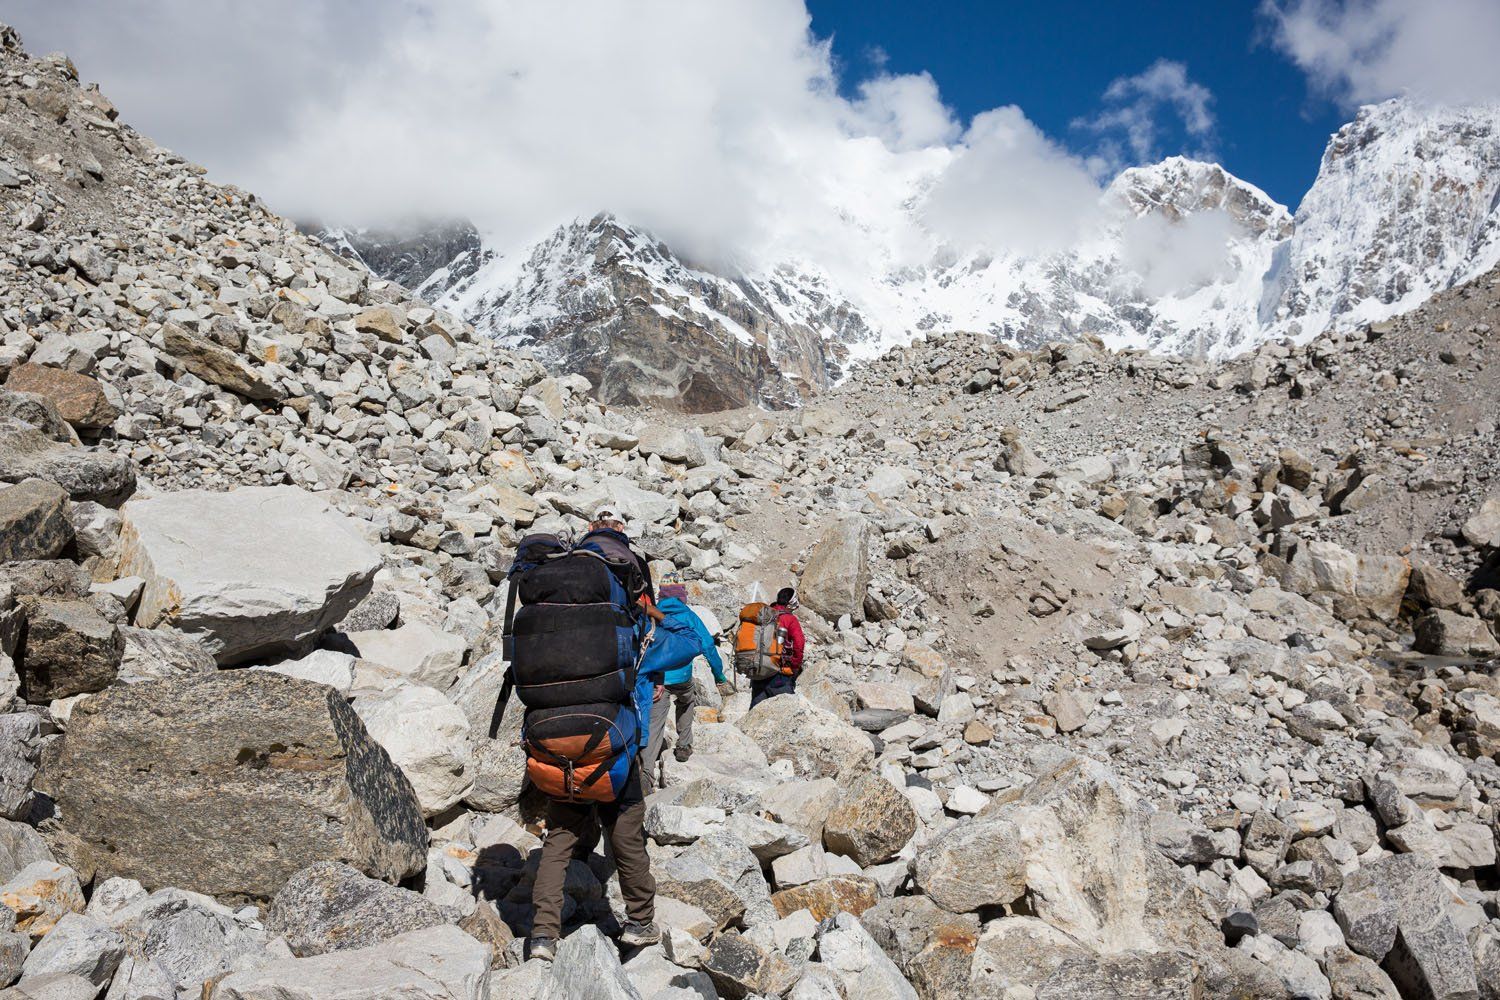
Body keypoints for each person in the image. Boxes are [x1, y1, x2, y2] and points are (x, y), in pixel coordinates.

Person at [526, 506, 661, 962]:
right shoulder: (622, 569)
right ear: (619, 531)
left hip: (551, 733)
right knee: (626, 827)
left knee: (560, 834)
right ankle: (640, 922)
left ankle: (542, 934)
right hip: (607, 734)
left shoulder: (550, 592)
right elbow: (643, 640)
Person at [638, 573, 731, 783]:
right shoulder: (689, 616)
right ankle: (684, 744)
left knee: (655, 722)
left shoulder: (653, 613)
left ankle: (646, 774)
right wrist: (719, 676)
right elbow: (707, 645)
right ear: (682, 595)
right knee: (687, 701)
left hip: (656, 679)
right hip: (682, 676)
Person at [751, 587, 804, 708]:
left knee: (756, 712)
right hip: (780, 673)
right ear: (792, 602)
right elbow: (799, 645)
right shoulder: (790, 619)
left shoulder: (764, 614)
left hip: (758, 671)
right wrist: (794, 667)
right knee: (787, 712)